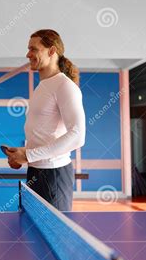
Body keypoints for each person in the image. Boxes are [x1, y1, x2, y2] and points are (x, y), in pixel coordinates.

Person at [6, 29, 86, 211]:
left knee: (54, 236)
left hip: (54, 176)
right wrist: (23, 154)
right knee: (34, 233)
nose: (28, 54)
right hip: (35, 171)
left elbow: (78, 135)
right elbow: (46, 135)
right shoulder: (43, 86)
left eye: (33, 49)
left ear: (51, 51)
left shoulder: (65, 86)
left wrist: (28, 155)